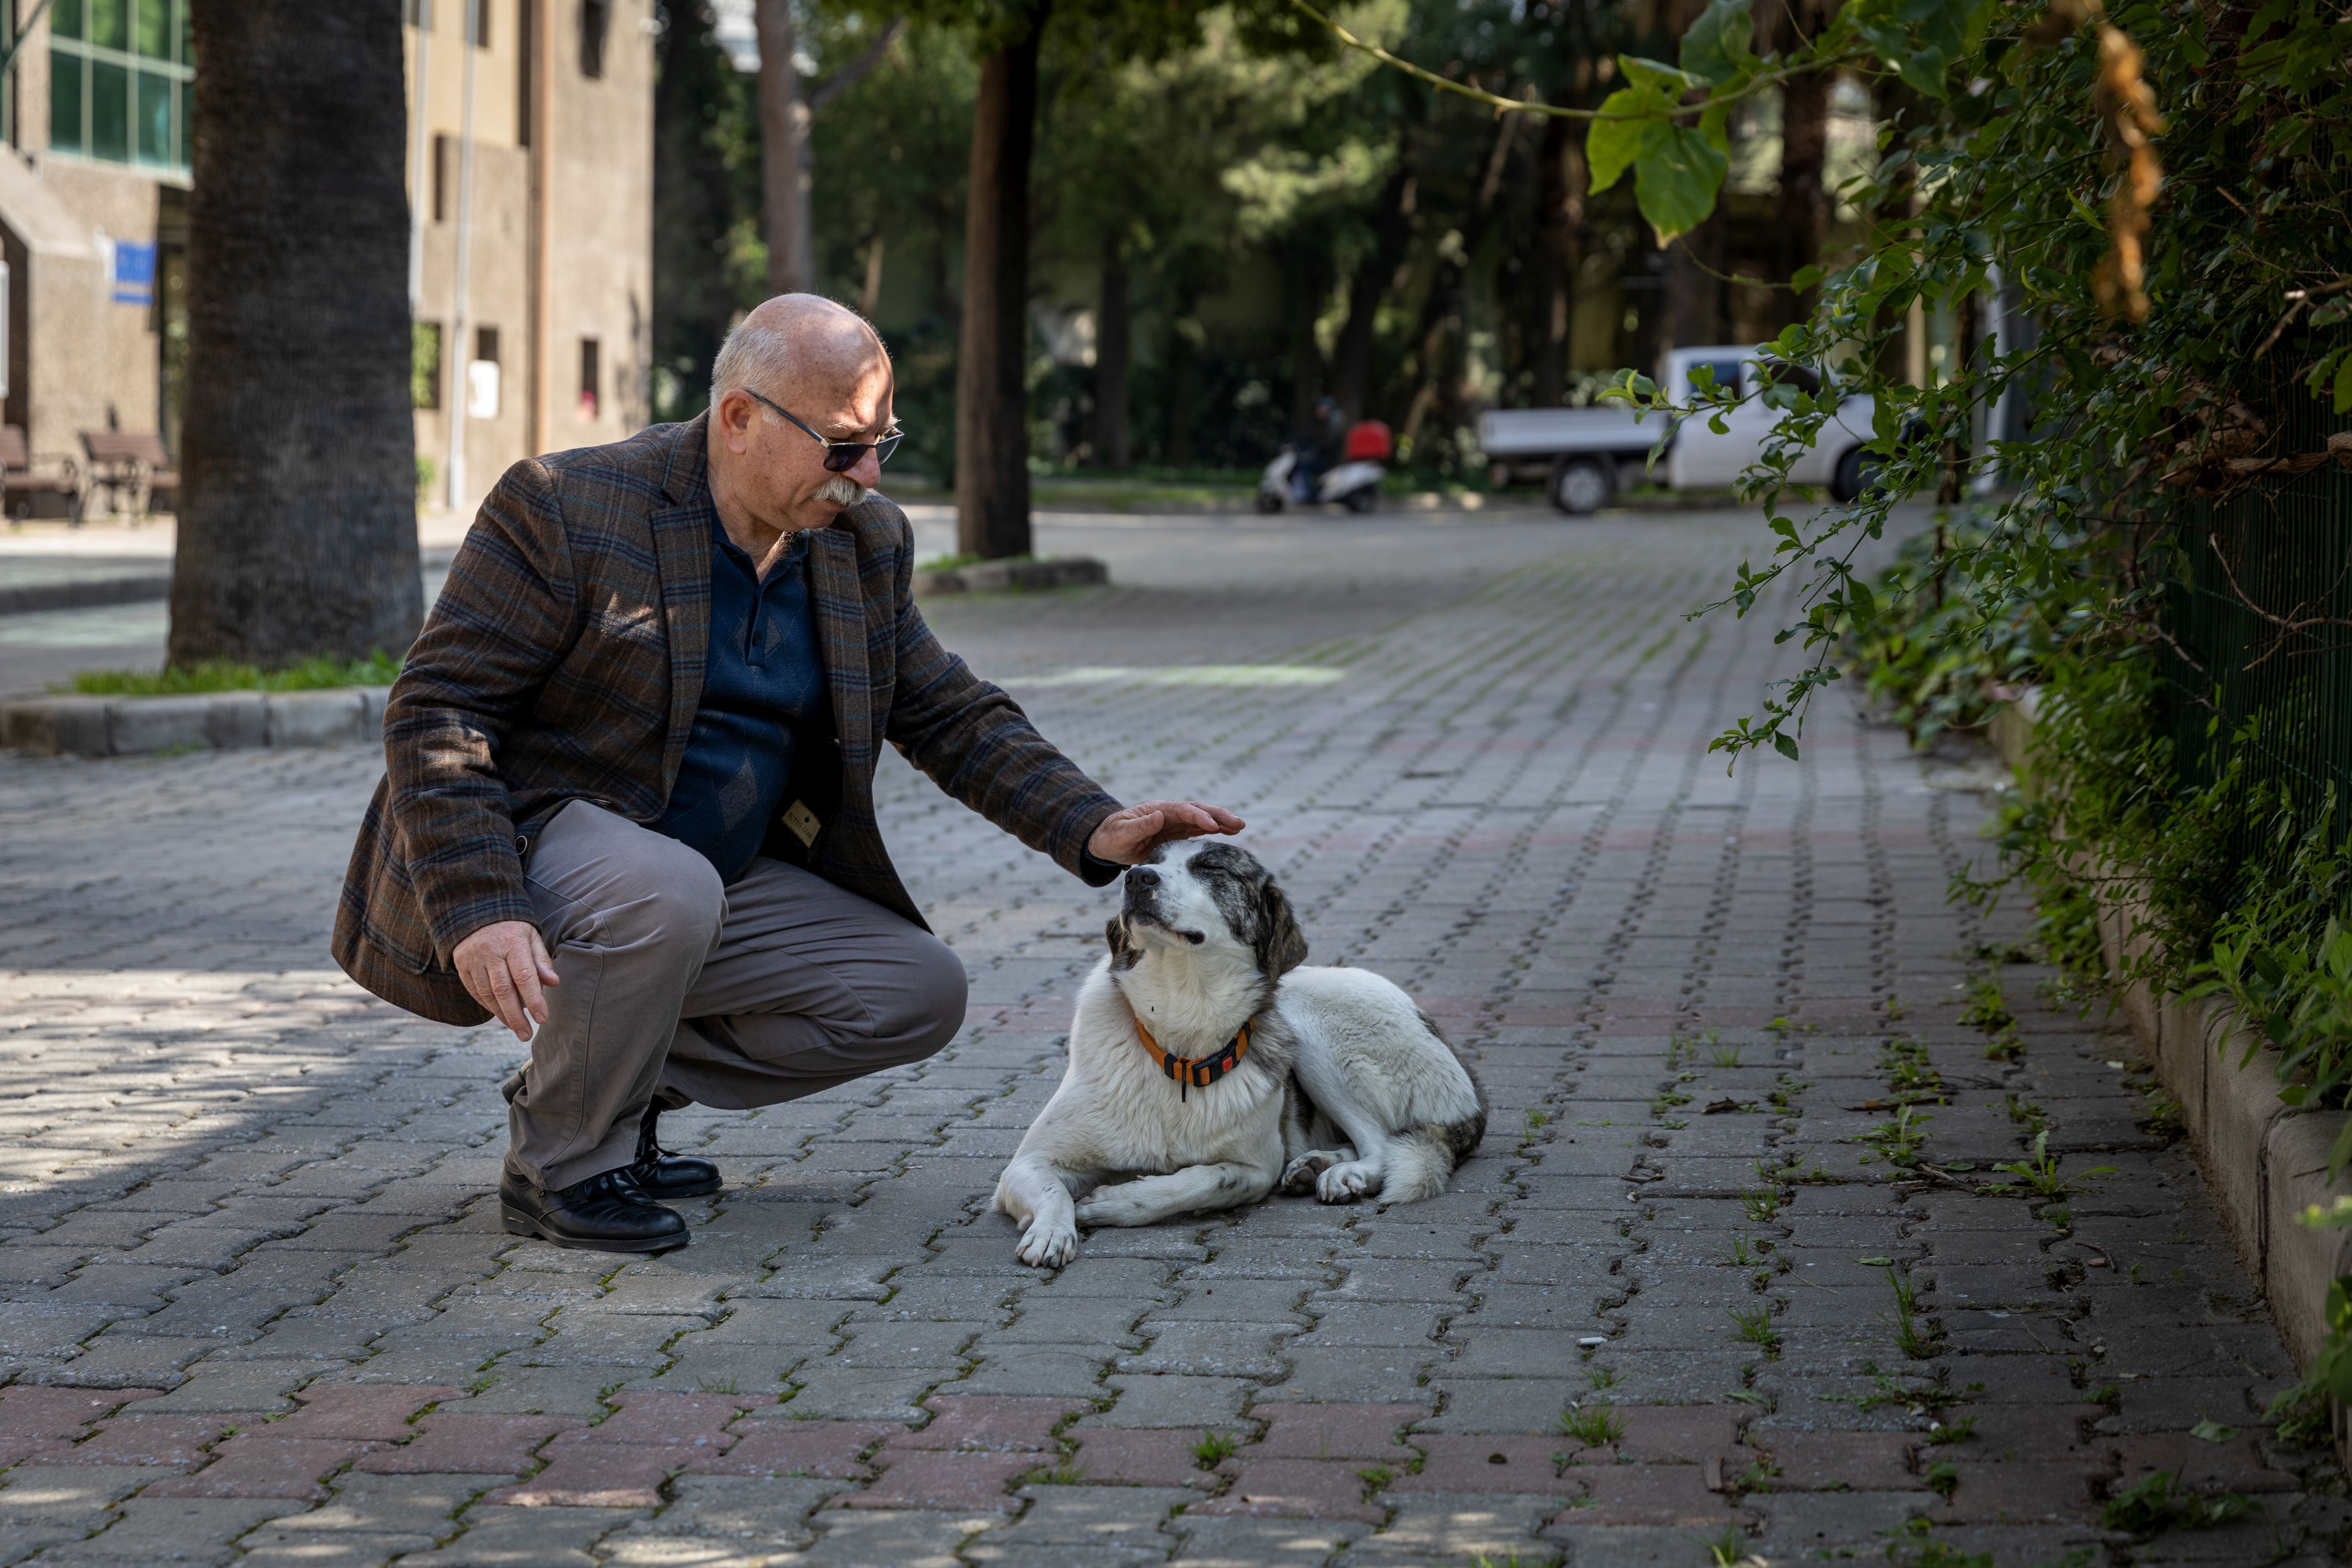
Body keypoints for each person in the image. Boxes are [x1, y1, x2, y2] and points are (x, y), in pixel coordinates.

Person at [334, 295, 1242, 1254]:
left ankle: (601, 1081)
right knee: (668, 888)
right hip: (543, 850)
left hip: (693, 885)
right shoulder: (568, 507)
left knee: (913, 989)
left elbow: (942, 708)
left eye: (883, 439)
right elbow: (439, 707)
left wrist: (1093, 823)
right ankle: (561, 1164)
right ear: (739, 419)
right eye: (843, 445)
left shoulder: (862, 543)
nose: (870, 473)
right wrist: (480, 903)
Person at [1293, 395, 1349, 499]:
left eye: (1322, 408)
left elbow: (1327, 446)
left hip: (1330, 460)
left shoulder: (1332, 426)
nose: (1319, 411)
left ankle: (1313, 495)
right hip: (1323, 457)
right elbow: (1306, 438)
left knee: (1304, 466)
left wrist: (1312, 452)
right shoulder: (1319, 424)